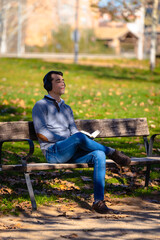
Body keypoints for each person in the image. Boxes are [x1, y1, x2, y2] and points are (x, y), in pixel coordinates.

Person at [32, 70, 131, 214]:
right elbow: (41, 134)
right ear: (49, 85)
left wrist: (83, 139)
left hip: (70, 151)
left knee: (98, 154)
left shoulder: (67, 108)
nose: (63, 83)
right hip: (53, 152)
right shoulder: (40, 106)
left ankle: (98, 201)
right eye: (58, 80)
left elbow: (73, 131)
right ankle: (112, 152)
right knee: (78, 139)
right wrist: (70, 140)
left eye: (63, 80)